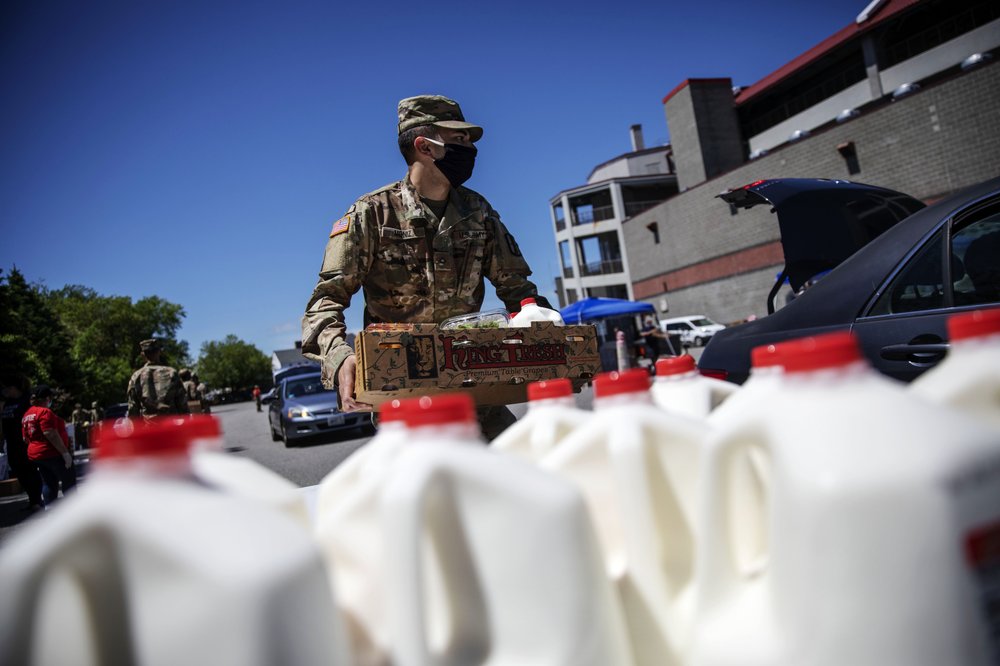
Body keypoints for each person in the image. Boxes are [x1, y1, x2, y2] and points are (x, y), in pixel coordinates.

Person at [302, 94, 552, 440]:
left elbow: (521, 294)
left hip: (475, 392)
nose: (471, 149)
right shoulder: (371, 214)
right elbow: (322, 306)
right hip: (402, 396)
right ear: (425, 146)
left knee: (520, 471)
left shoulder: (477, 212)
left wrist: (551, 338)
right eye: (459, 139)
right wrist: (341, 357)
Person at [21, 385, 75, 507]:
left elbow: (25, 438)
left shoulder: (27, 414)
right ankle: (74, 510)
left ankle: (50, 510)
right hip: (52, 453)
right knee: (68, 480)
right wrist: (65, 453)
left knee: (49, 482)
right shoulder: (44, 412)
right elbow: (50, 433)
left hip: (37, 456)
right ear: (47, 398)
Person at [1, 373, 44, 512]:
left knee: (30, 470)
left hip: (25, 441)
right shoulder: (8, 403)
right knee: (17, 469)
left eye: (7, 388)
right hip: (11, 442)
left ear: (14, 388)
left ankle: (36, 500)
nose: (5, 391)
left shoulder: (26, 399)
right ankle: (32, 499)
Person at [126, 338, 189, 420]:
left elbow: (133, 409)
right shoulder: (172, 373)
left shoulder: (136, 376)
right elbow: (182, 404)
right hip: (172, 425)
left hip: (149, 429)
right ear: (159, 352)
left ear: (142, 355)